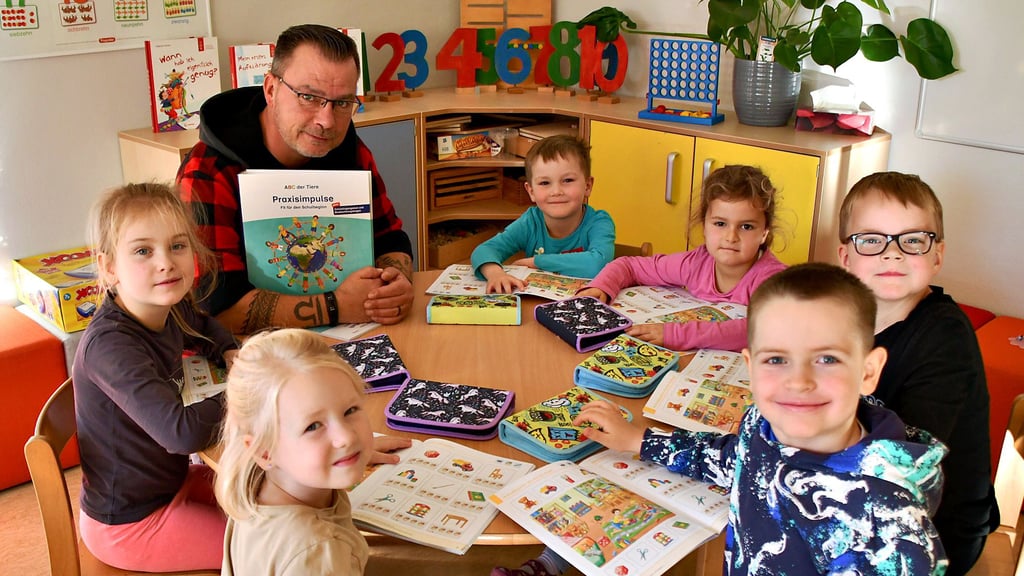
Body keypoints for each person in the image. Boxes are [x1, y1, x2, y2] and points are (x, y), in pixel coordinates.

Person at [553, 263, 948, 575]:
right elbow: (735, 458)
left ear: (868, 371)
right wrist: (640, 440)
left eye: (827, 358)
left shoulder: (889, 527)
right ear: (751, 367)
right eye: (776, 359)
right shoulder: (764, 423)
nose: (799, 382)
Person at [177, 24, 414, 334]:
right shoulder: (208, 171)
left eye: (342, 103)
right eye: (308, 97)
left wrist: (395, 282)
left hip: (353, 337)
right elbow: (213, 309)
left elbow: (391, 238)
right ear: (271, 90)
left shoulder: (351, 151)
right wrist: (336, 305)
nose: (326, 120)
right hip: (256, 356)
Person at [838, 171, 998, 575]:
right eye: (872, 240)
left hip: (934, 533)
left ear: (937, 256)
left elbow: (900, 471)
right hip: (859, 490)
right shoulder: (846, 315)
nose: (892, 255)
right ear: (845, 257)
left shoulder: (946, 339)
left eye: (912, 241)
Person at [72, 182, 238, 571]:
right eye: (143, 251)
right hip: (132, 522)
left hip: (171, 482)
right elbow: (181, 434)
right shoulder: (111, 345)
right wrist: (249, 389)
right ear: (109, 267)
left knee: (274, 500)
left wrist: (231, 350)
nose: (166, 262)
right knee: (266, 545)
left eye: (177, 246)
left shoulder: (166, 307)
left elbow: (204, 324)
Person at [215, 329, 376, 575]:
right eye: (312, 426)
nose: (345, 437)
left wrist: (355, 453)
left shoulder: (256, 486)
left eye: (350, 410)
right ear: (264, 452)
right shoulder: (319, 552)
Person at [577, 164, 786, 351]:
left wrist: (675, 334)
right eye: (720, 224)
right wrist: (600, 287)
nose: (731, 237)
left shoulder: (774, 281)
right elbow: (630, 266)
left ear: (764, 233)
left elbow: (758, 329)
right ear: (704, 226)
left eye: (746, 226)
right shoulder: (696, 263)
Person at [470, 134, 615, 293]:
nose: (556, 191)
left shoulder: (599, 222)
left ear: (587, 185)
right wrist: (495, 274)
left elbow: (597, 264)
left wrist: (537, 262)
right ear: (531, 191)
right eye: (545, 183)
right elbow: (484, 250)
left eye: (567, 180)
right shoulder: (531, 222)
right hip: (535, 306)